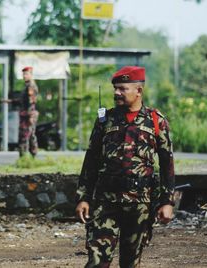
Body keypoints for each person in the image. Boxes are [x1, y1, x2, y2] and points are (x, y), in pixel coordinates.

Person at [75, 66, 175, 268]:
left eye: (122, 89)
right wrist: (83, 197)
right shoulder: (105, 120)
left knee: (130, 262)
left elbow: (167, 164)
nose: (116, 93)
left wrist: (167, 201)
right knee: (97, 261)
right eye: (115, 88)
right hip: (105, 201)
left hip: (139, 203)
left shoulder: (156, 121)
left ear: (138, 91)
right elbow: (91, 160)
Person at [18, 66, 39, 157]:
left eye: (26, 74)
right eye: (23, 74)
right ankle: (30, 155)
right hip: (26, 114)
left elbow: (31, 101)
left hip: (28, 114)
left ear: (31, 75)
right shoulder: (27, 86)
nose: (24, 76)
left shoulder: (31, 86)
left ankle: (24, 157)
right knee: (29, 135)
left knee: (25, 135)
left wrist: (30, 116)